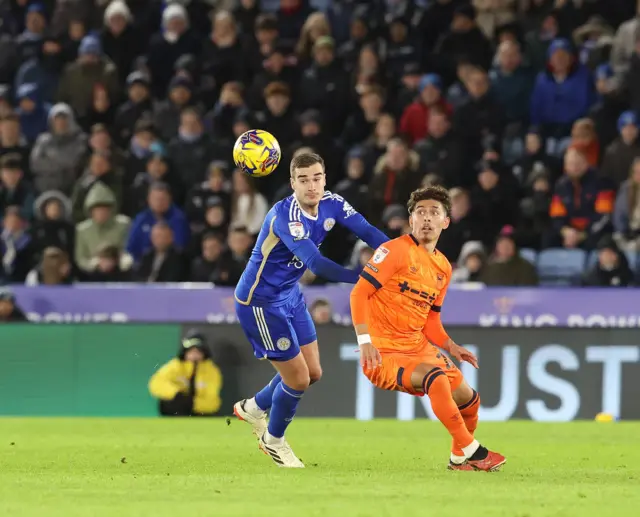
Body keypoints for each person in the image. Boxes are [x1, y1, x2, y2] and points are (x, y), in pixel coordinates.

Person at [232, 152, 388, 468]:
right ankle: (274, 441)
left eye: (317, 178)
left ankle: (254, 407)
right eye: (303, 180)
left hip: (289, 295)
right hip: (260, 303)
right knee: (298, 379)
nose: (311, 186)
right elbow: (315, 264)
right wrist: (365, 276)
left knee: (312, 373)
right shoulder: (285, 217)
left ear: (325, 179)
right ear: (293, 184)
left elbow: (369, 231)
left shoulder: (333, 203)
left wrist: (400, 255)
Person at [350, 185, 506, 472]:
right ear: (411, 220)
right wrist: (365, 341)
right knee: (435, 378)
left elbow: (430, 319)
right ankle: (474, 450)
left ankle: (458, 460)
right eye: (419, 212)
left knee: (469, 400)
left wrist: (449, 345)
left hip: (418, 348)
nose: (426, 218)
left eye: (434, 212)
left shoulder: (443, 267)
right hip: (384, 351)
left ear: (446, 221)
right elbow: (358, 294)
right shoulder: (393, 251)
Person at [149, 329, 223, 417]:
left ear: (204, 353)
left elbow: (212, 401)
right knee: (166, 402)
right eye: (191, 351)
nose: (194, 355)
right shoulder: (175, 365)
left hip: (199, 412)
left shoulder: (212, 371)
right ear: (185, 352)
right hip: (177, 411)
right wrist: (177, 395)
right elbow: (156, 383)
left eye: (198, 352)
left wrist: (191, 403)